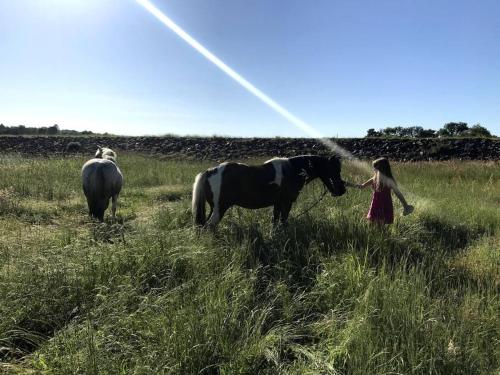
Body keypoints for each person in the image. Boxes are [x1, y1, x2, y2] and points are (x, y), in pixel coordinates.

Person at [349, 157, 413, 224]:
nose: (373, 169)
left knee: (378, 224)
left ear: (380, 169)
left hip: (383, 204)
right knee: (376, 225)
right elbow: (362, 186)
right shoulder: (375, 179)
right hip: (377, 204)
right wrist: (347, 184)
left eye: (374, 167)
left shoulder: (388, 180)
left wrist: (405, 205)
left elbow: (398, 193)